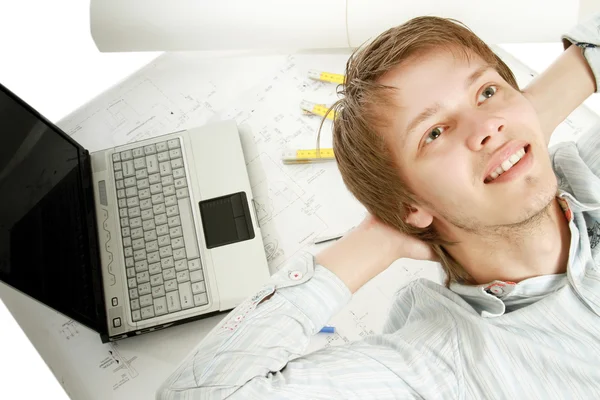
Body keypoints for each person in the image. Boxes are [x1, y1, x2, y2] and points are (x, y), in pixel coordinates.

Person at [157, 13, 600, 399]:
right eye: (433, 133)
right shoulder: (439, 363)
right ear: (412, 208)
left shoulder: (587, 172)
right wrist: (376, 239)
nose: (485, 126)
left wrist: (517, 124)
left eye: (486, 91)